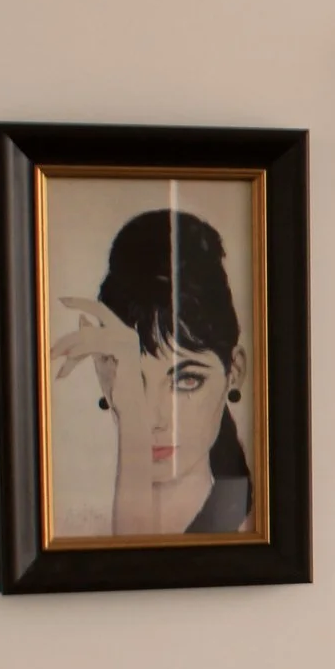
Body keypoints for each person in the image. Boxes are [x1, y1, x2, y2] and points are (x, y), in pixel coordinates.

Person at [50, 209, 252, 536]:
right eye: (134, 380)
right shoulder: (68, 525)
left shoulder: (253, 529)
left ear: (235, 371)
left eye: (186, 380)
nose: (154, 418)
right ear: (102, 370)